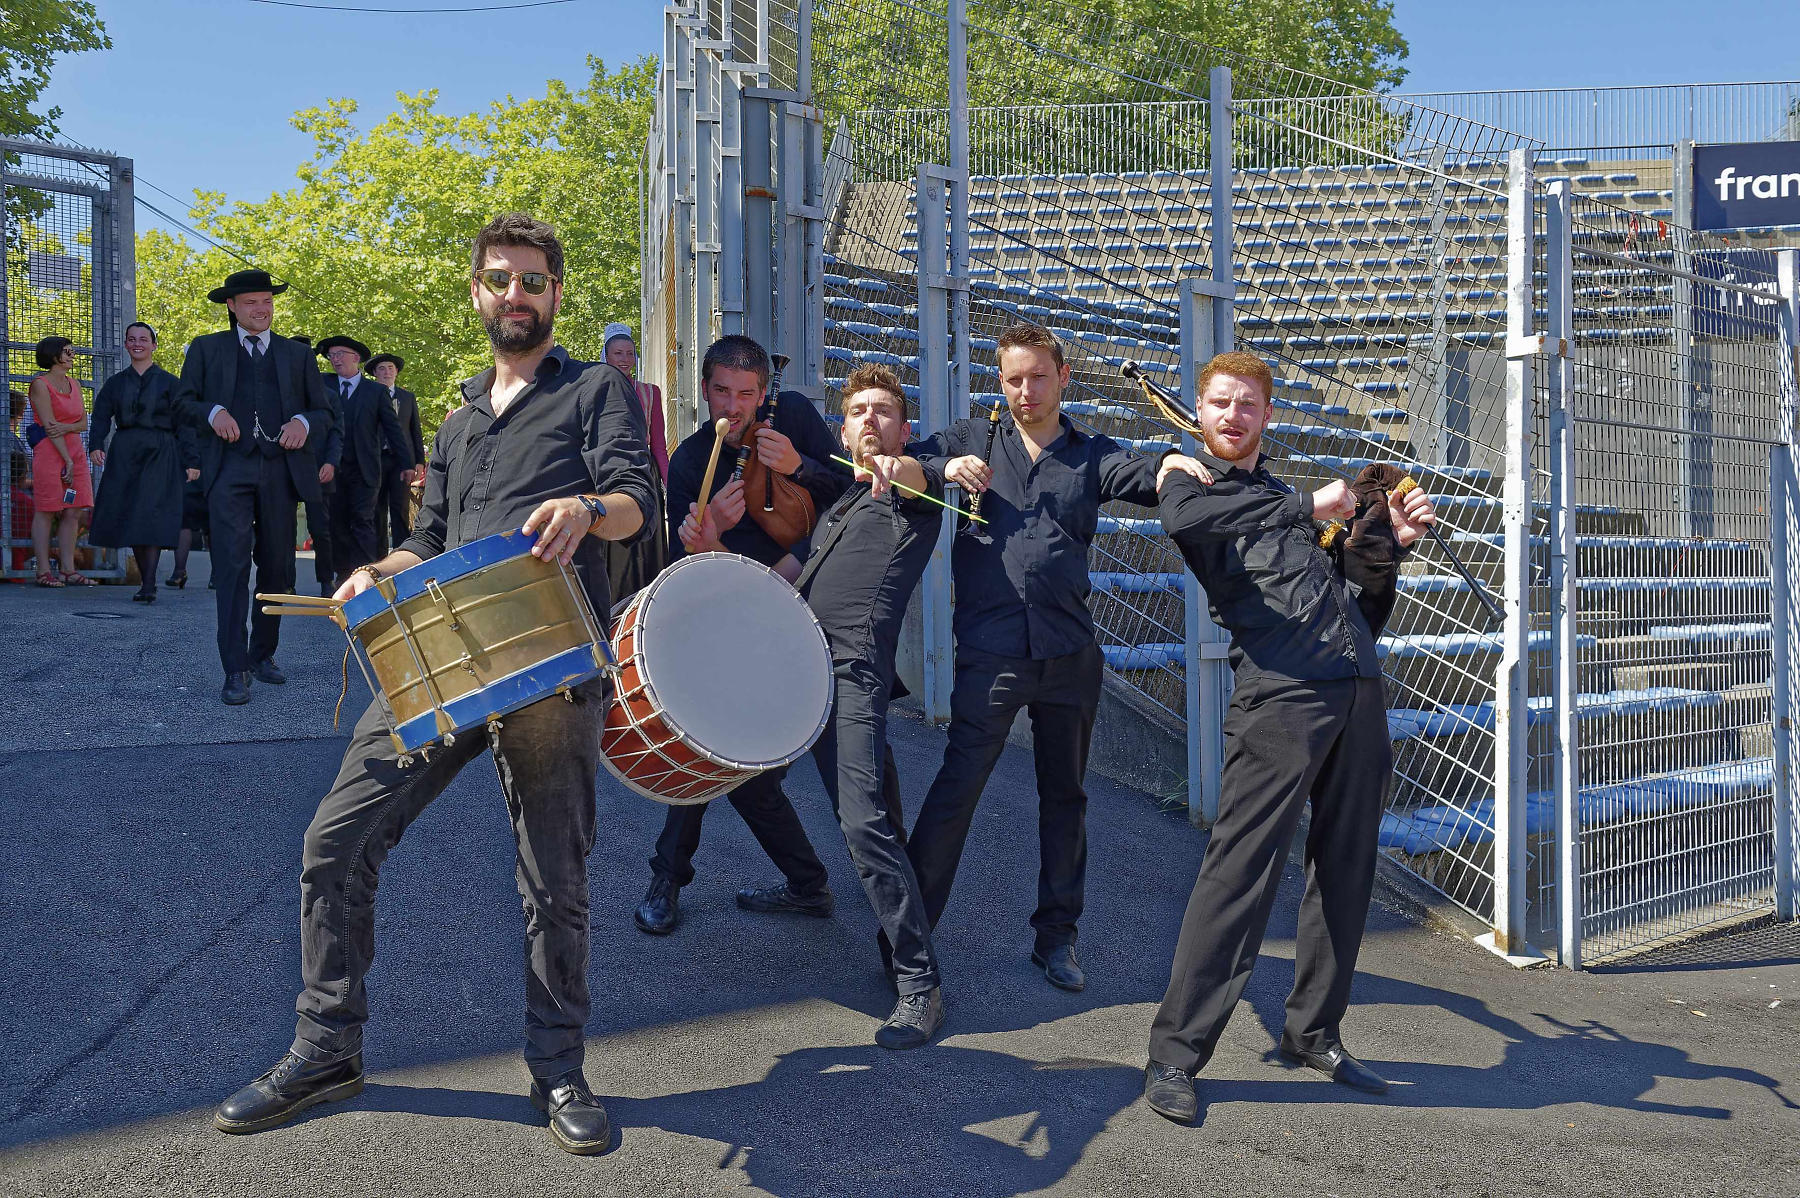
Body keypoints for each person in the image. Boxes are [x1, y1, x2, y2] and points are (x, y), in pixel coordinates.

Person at [213, 212, 657, 1155]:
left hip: (545, 664)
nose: (515, 294)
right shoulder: (454, 420)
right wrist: (384, 568)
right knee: (335, 842)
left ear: (556, 294)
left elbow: (635, 506)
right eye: (499, 279)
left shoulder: (596, 392)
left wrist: (585, 506)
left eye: (532, 280)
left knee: (553, 879)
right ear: (477, 292)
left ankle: (559, 1069)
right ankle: (328, 1048)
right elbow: (431, 538)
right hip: (437, 658)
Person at [1139, 351, 1436, 1123]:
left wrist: (1383, 547)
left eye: (1247, 404)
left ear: (1267, 415)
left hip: (1356, 690)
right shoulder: (1191, 481)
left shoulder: (1280, 495)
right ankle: (1175, 1052)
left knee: (1346, 866)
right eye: (1219, 403)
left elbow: (1359, 610)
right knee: (1237, 875)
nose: (1233, 415)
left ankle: (1314, 1032)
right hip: (1279, 698)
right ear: (1199, 412)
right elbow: (1182, 523)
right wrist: (1308, 506)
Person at [905, 322, 1206, 993]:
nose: (1024, 390)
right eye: (1013, 378)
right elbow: (905, 469)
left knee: (1065, 798)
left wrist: (1168, 463)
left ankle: (1057, 937)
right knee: (957, 791)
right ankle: (907, 936)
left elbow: (1138, 472)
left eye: (1038, 376)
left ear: (1062, 378)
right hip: (991, 654)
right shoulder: (971, 440)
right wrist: (940, 470)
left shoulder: (1090, 452)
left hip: (1070, 656)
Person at [630, 333, 850, 937]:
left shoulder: (794, 418)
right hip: (731, 621)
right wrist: (712, 539)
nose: (733, 407)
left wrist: (797, 467)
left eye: (746, 394)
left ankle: (873, 884)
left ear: (764, 392)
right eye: (721, 392)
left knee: (829, 761)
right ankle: (688, 879)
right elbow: (685, 567)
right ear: (704, 390)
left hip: (805, 613)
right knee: (713, 752)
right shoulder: (690, 459)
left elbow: (846, 498)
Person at [769, 363, 947, 1049]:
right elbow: (789, 574)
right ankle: (812, 889)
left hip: (851, 676)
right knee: (863, 813)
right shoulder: (844, 501)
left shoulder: (912, 490)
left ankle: (919, 982)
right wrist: (714, 560)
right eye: (858, 413)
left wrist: (899, 468)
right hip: (804, 670)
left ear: (904, 429)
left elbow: (921, 473)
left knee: (865, 823)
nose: (870, 419)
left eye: (883, 412)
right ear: (842, 433)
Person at [174, 268, 335, 705]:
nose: (261, 309)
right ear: (231, 306)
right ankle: (235, 667)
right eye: (251, 303)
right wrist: (213, 413)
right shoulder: (207, 350)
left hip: (281, 471)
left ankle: (263, 654)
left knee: (279, 568)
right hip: (229, 470)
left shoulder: (296, 355)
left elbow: (323, 412)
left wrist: (303, 422)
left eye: (267, 301)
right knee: (230, 567)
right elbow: (182, 403)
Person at [88, 321, 200, 602]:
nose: (137, 343)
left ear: (154, 345)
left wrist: (192, 461)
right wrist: (95, 445)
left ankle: (148, 584)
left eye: (143, 339)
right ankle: (147, 582)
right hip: (125, 451)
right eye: (131, 339)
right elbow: (101, 415)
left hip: (161, 451)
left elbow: (185, 424)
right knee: (134, 516)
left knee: (152, 514)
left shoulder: (171, 383)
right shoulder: (115, 383)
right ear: (126, 344)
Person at [316, 336, 410, 585]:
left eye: (340, 354)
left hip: (365, 468)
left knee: (363, 520)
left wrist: (407, 463)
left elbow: (393, 428)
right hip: (332, 467)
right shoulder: (322, 385)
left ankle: (366, 576)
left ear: (356, 358)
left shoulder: (375, 391)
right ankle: (341, 575)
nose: (335, 359)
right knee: (336, 522)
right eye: (331, 355)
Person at [599, 323, 668, 601]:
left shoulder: (650, 392)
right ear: (606, 355)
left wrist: (669, 483)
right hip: (609, 471)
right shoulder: (596, 391)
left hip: (644, 471)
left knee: (647, 541)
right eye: (619, 353)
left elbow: (660, 445)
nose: (625, 359)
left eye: (630, 353)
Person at [27, 336, 95, 587]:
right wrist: (66, 458)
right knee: (46, 509)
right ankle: (43, 571)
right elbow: (48, 427)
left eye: (72, 351)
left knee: (74, 509)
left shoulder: (74, 384)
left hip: (74, 452)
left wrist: (67, 431)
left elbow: (83, 423)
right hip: (51, 453)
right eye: (66, 351)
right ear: (53, 354)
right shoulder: (40, 384)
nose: (71, 355)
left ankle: (68, 570)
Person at [288, 334, 340, 597]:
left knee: (320, 530)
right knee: (281, 529)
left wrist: (331, 462)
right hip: (284, 470)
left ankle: (325, 581)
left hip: (319, 470)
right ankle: (284, 581)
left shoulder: (327, 394)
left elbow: (336, 432)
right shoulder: (279, 390)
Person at [367, 352, 424, 557]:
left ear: (397, 372)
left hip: (401, 462)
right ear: (374, 373)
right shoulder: (367, 395)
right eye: (381, 368)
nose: (386, 372)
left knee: (400, 508)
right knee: (376, 509)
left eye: (390, 368)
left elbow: (414, 430)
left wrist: (419, 461)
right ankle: (379, 557)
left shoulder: (406, 397)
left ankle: (402, 554)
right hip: (375, 460)